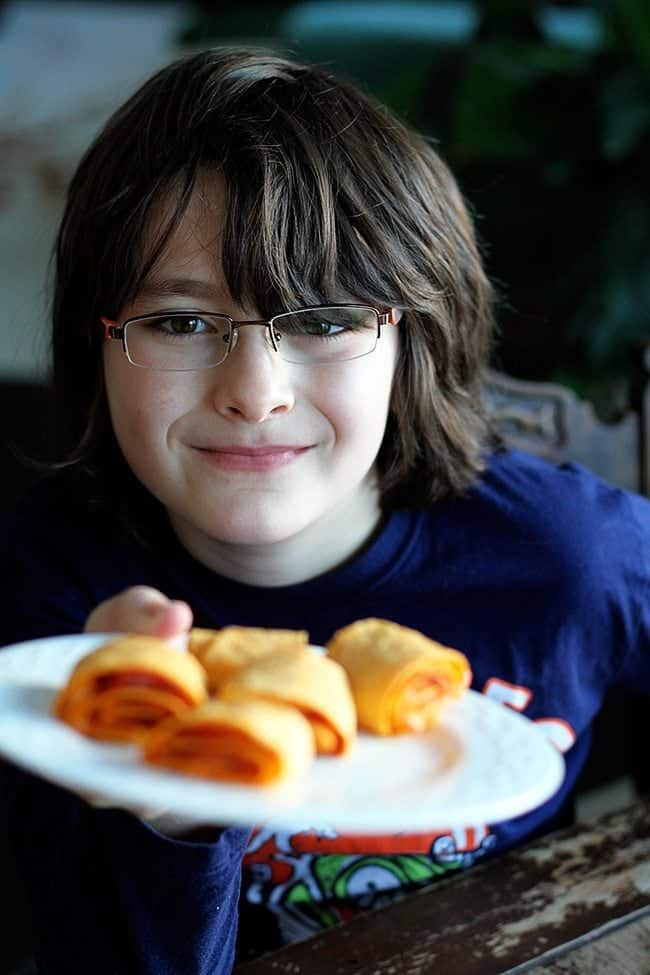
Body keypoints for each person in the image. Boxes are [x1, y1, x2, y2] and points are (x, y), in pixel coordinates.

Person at [1, 46, 649, 975]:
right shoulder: (62, 595)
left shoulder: (568, 557)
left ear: (411, 336)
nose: (255, 392)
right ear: (97, 343)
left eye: (323, 319)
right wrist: (167, 798)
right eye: (181, 323)